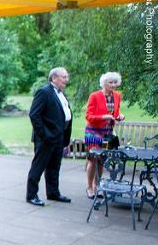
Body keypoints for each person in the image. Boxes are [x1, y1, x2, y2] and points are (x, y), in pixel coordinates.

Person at [26, 67, 73, 206]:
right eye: (63, 77)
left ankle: (53, 193)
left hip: (59, 137)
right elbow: (34, 115)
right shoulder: (44, 91)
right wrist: (45, 135)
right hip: (46, 138)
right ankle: (31, 195)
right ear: (54, 78)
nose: (66, 80)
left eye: (66, 77)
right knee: (38, 167)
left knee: (54, 167)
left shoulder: (61, 93)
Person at [84, 72, 125, 198]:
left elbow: (115, 113)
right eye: (110, 82)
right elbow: (88, 116)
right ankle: (89, 188)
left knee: (101, 161)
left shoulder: (117, 96)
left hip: (107, 133)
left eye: (115, 82)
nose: (113, 85)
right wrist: (103, 117)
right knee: (93, 159)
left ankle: (97, 186)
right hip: (93, 132)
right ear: (104, 83)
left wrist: (119, 116)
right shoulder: (94, 96)